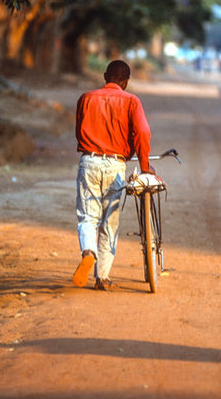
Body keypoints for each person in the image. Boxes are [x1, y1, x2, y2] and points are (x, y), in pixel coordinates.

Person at [73, 60, 152, 291]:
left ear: (105, 75)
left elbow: (79, 131)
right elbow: (142, 133)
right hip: (116, 165)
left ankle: (88, 251)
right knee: (110, 221)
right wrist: (145, 166)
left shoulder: (86, 98)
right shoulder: (132, 101)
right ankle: (103, 277)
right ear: (126, 82)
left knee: (88, 216)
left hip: (89, 160)